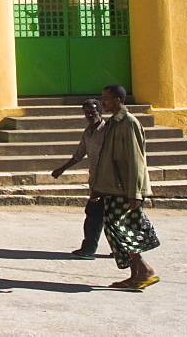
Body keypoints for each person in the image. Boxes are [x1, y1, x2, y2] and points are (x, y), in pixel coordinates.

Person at [91, 84, 161, 290]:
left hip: (126, 189)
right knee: (114, 226)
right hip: (113, 187)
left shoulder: (129, 123)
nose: (102, 102)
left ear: (117, 101)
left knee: (120, 226)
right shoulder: (113, 123)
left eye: (106, 99)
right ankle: (135, 274)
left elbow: (136, 160)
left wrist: (135, 192)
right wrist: (98, 187)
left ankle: (145, 269)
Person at [51, 99, 107, 259]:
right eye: (87, 113)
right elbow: (79, 155)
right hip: (95, 180)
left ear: (100, 112)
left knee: (96, 215)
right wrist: (61, 169)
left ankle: (90, 249)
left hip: (107, 181)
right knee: (99, 215)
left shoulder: (107, 131)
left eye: (93, 112)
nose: (90, 116)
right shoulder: (88, 133)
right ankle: (95, 248)